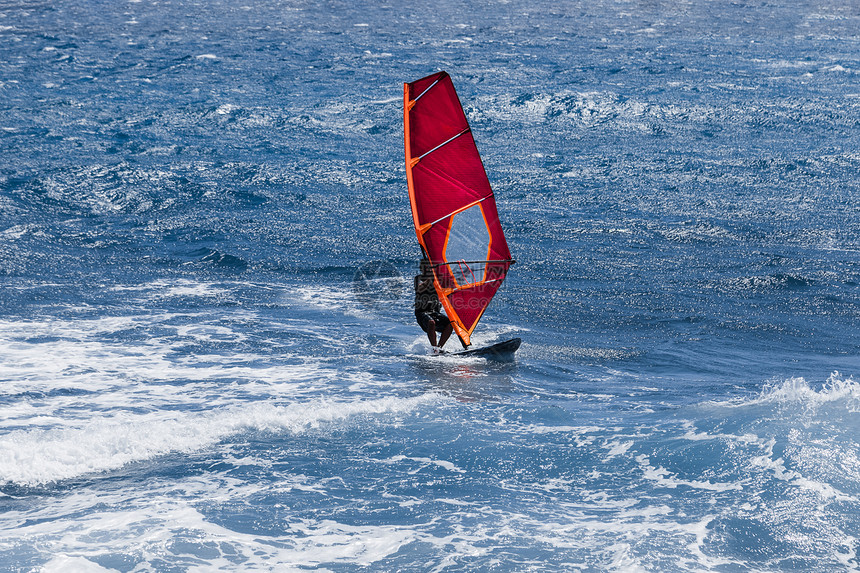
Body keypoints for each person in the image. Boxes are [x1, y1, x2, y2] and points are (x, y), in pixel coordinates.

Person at [414, 258, 453, 354]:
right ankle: (434, 348)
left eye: (429, 268)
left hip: (434, 312)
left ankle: (439, 348)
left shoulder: (437, 281)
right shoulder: (418, 278)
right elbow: (420, 288)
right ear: (421, 268)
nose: (427, 269)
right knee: (431, 322)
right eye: (425, 268)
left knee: (451, 323)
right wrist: (431, 278)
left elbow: (449, 288)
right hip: (421, 313)